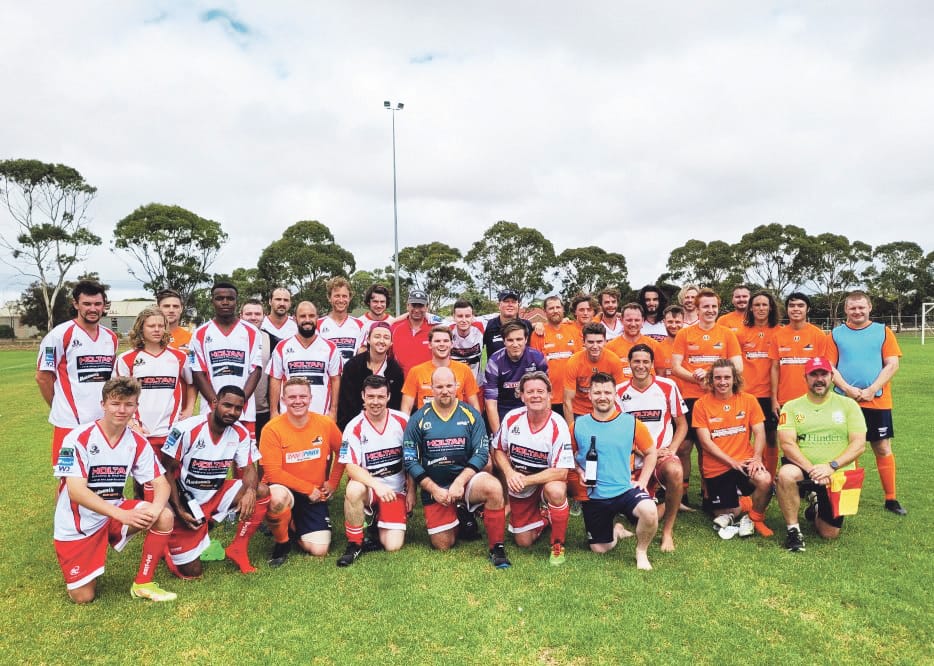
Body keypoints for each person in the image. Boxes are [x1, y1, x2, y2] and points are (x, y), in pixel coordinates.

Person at [52, 377, 177, 603]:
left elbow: (162, 483)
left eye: (129, 404)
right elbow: (76, 492)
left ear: (136, 407)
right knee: (83, 597)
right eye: (115, 403)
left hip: (113, 514)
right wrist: (122, 514)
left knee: (165, 515)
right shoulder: (77, 438)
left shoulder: (137, 442)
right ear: (103, 405)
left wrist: (156, 510)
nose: (122, 410)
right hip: (78, 524)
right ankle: (84, 564)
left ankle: (143, 583)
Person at [403, 367, 511, 568]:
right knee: (443, 544)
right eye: (439, 386)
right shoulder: (418, 418)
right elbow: (410, 460)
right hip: (436, 486)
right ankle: (462, 513)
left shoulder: (471, 414)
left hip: (466, 481)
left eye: (449, 386)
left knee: (494, 488)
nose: (445, 391)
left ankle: (497, 547)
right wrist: (434, 490)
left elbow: (481, 453)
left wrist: (460, 482)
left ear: (457, 387)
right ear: (431, 388)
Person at [160, 385, 270, 576]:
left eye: (238, 408)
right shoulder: (185, 429)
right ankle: (169, 546)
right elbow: (167, 472)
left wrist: (250, 492)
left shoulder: (240, 432)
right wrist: (178, 509)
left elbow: (249, 468)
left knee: (261, 491)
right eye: (227, 405)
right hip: (185, 501)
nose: (232, 412)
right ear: (214, 403)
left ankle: (238, 548)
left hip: (216, 493)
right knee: (192, 573)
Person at [776, 357, 867, 551]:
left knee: (829, 534)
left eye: (824, 374)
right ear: (805, 378)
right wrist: (814, 470)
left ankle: (817, 506)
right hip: (805, 468)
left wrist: (830, 467)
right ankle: (793, 530)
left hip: (837, 472)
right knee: (785, 474)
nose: (819, 379)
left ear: (832, 377)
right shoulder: (791, 406)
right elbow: (787, 444)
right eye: (813, 374)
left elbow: (859, 445)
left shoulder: (849, 405)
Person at [827, 290, 905, 515]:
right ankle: (849, 499)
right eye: (853, 308)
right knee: (849, 450)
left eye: (861, 307)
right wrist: (849, 390)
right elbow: (830, 367)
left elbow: (892, 365)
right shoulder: (835, 334)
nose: (857, 311)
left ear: (870, 307)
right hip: (845, 402)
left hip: (877, 401)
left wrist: (872, 389)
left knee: (881, 447)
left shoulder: (883, 332)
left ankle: (891, 498)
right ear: (846, 310)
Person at [570, 372, 658, 570]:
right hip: (594, 495)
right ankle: (617, 530)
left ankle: (641, 551)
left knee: (650, 511)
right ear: (589, 396)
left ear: (615, 394)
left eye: (607, 392)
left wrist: (643, 481)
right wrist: (579, 471)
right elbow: (568, 457)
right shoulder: (577, 426)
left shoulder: (631, 423)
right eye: (598, 392)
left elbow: (651, 453)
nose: (603, 396)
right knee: (600, 548)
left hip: (625, 489)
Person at [259, 377, 345, 566]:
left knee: (319, 549)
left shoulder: (325, 423)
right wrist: (307, 489)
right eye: (292, 397)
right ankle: (282, 542)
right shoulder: (271, 429)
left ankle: (291, 523)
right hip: (285, 490)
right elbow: (273, 473)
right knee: (276, 498)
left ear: (311, 398)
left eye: (303, 396)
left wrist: (333, 482)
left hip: (314, 495)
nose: (298, 401)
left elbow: (343, 451)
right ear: (283, 399)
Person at [491, 372, 573, 564]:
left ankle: (557, 545)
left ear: (550, 395)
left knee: (556, 490)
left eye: (540, 391)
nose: (535, 395)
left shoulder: (558, 425)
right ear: (521, 396)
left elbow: (562, 471)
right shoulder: (512, 418)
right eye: (530, 392)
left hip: (545, 481)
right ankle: (545, 516)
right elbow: (498, 450)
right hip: (520, 482)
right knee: (523, 542)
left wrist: (526, 480)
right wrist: (510, 473)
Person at [671, 287, 742, 505]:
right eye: (706, 307)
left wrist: (712, 377)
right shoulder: (684, 333)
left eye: (714, 307)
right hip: (690, 396)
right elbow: (675, 367)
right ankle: (681, 494)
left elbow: (738, 367)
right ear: (697, 308)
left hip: (716, 398)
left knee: (707, 447)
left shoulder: (727, 334)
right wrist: (694, 377)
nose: (710, 310)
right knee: (683, 447)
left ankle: (708, 492)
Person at [616, 344, 688, 552]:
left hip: (663, 455)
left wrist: (672, 449)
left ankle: (667, 532)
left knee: (675, 471)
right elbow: (619, 430)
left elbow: (682, 424)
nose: (641, 366)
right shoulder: (619, 391)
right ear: (629, 364)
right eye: (636, 361)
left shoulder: (667, 386)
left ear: (652, 364)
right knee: (639, 514)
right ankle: (663, 503)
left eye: (645, 361)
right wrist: (647, 453)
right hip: (633, 457)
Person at [336, 375, 414, 566]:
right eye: (371, 397)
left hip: (396, 492)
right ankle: (355, 543)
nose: (375, 402)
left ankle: (375, 522)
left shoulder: (404, 421)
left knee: (393, 545)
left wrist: (411, 491)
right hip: (371, 488)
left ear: (388, 397)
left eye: (380, 397)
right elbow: (351, 467)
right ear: (363, 396)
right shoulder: (353, 426)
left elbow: (412, 460)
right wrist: (376, 486)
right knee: (353, 489)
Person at [37, 279, 118, 463]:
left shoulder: (111, 338)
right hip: (69, 423)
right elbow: (43, 377)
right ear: (76, 304)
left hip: (103, 421)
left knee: (99, 477)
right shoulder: (59, 335)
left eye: (98, 304)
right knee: (68, 479)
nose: (93, 308)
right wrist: (59, 406)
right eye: (87, 304)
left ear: (104, 305)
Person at [115, 306, 192, 499]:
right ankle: (142, 512)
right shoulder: (127, 359)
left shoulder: (179, 357)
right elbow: (117, 396)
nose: (157, 330)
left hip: (171, 428)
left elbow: (191, 384)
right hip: (141, 429)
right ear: (141, 328)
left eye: (161, 325)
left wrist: (189, 408)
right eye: (151, 326)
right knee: (143, 477)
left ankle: (173, 512)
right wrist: (131, 423)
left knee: (171, 473)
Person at [692, 360, 773, 539]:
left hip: (745, 462)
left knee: (765, 480)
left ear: (734, 379)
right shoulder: (701, 404)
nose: (722, 382)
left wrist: (757, 457)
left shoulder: (749, 400)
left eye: (727, 377)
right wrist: (731, 462)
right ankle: (739, 503)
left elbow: (760, 433)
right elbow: (705, 443)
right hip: (717, 467)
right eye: (718, 378)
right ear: (711, 381)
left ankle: (755, 518)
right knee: (725, 513)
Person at [190, 281, 263, 442]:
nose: (225, 302)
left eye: (229, 298)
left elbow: (256, 370)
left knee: (244, 461)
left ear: (236, 301)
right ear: (212, 301)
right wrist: (216, 403)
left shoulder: (251, 332)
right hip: (211, 408)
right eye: (219, 298)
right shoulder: (200, 333)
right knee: (210, 458)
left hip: (244, 410)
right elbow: (197, 372)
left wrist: (238, 403)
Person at [268, 301, 342, 419]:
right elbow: (275, 379)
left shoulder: (330, 347)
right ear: (294, 318)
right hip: (288, 416)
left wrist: (333, 411)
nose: (307, 319)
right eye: (303, 316)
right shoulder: (282, 347)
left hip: (321, 415)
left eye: (311, 316)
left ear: (317, 317)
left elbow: (335, 380)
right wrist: (273, 412)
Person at [737, 290, 780, 478]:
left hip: (770, 396)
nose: (761, 308)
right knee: (743, 438)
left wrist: (776, 397)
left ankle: (768, 476)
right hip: (746, 394)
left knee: (771, 438)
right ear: (751, 308)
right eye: (757, 305)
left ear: (771, 307)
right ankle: (744, 476)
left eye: (764, 304)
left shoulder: (780, 332)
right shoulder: (740, 333)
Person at [336, 321, 404, 430]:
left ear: (391, 342)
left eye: (386, 337)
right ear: (368, 339)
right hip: (356, 424)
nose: (381, 341)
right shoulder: (353, 366)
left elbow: (396, 403)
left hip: (385, 425)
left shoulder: (395, 369)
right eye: (377, 336)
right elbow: (346, 403)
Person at [483, 321, 548, 434]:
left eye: (519, 339)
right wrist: (498, 437)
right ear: (504, 341)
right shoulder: (494, 362)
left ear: (526, 339)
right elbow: (490, 403)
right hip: (503, 408)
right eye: (510, 340)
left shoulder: (537, 358)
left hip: (530, 406)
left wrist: (544, 425)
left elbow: (545, 395)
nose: (515, 344)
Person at [770, 292, 829, 414]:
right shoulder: (777, 336)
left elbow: (825, 372)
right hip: (785, 400)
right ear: (787, 309)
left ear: (808, 309)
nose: (796, 309)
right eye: (792, 305)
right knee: (786, 433)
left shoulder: (819, 335)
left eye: (800, 305)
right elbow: (775, 369)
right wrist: (774, 399)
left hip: (811, 398)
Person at [400, 326, 481, 414]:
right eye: (437, 341)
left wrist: (477, 426)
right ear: (430, 345)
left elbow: (474, 406)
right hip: (426, 424)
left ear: (451, 344)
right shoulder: (416, 372)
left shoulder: (464, 369)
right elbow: (406, 408)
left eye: (446, 341)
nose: (442, 344)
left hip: (456, 425)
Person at [562, 323, 625, 427]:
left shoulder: (614, 361)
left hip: (606, 409)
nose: (595, 346)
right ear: (584, 342)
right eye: (590, 342)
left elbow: (619, 395)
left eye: (599, 342)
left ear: (605, 341)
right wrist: (571, 430)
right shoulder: (574, 362)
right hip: (580, 411)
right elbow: (567, 400)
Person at [530, 295, 581, 417]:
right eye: (551, 308)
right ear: (545, 311)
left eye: (558, 307)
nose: (555, 311)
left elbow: (580, 359)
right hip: (549, 398)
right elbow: (535, 368)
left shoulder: (573, 329)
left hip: (574, 398)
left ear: (563, 309)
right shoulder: (538, 334)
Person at [240, 298, 279, 442]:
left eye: (257, 314)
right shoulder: (232, 338)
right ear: (241, 316)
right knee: (237, 454)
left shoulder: (273, 341)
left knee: (264, 452)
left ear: (264, 316)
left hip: (263, 409)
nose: (253, 317)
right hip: (237, 408)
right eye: (248, 314)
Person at [317, 276, 365, 364]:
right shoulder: (318, 325)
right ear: (329, 298)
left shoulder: (360, 325)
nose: (341, 300)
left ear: (350, 298)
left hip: (351, 376)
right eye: (337, 296)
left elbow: (362, 356)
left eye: (344, 296)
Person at [606, 303, 658, 378]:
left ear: (643, 321)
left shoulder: (654, 346)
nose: (633, 324)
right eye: (629, 320)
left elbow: (661, 376)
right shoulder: (610, 348)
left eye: (637, 320)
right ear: (621, 321)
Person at [391, 290, 433, 375]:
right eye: (413, 305)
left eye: (420, 306)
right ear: (407, 306)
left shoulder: (435, 329)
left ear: (427, 307)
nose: (417, 310)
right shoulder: (394, 328)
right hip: (401, 383)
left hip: (428, 382)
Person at [482, 289, 533, 359]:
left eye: (513, 302)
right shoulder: (489, 325)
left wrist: (539, 325)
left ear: (518, 305)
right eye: (506, 301)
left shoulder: (527, 325)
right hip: (495, 369)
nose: (510, 305)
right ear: (499, 305)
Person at [449, 299, 485, 383]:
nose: (464, 320)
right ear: (454, 317)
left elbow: (499, 314)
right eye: (460, 316)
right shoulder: (447, 330)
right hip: (455, 386)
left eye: (467, 316)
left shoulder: (480, 326)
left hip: (477, 384)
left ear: (473, 317)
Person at [653, 304, 684, 380]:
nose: (674, 326)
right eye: (670, 322)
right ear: (664, 322)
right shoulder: (659, 348)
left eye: (677, 322)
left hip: (690, 390)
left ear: (683, 322)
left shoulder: (691, 344)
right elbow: (660, 377)